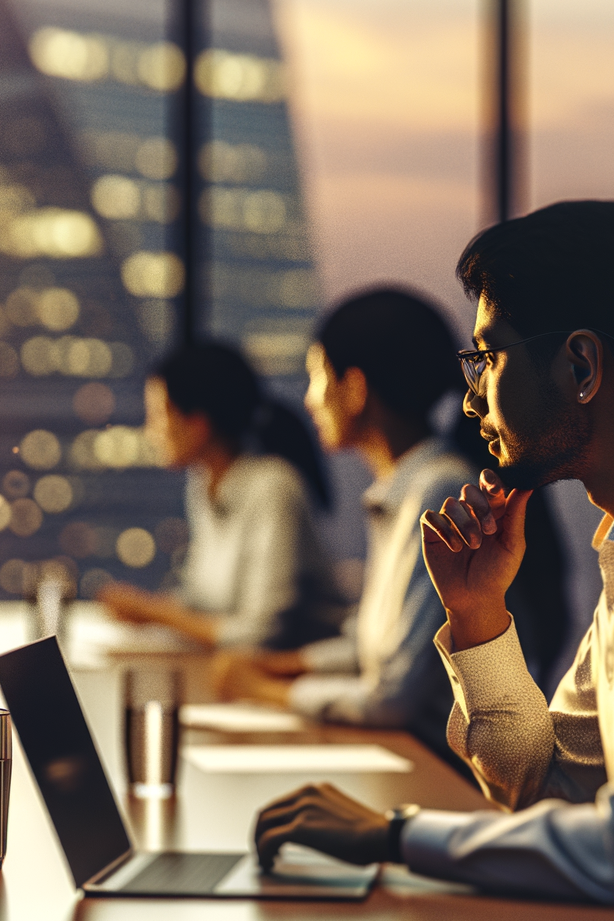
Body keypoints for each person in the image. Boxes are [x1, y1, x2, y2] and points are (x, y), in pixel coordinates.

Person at [252, 201, 614, 921]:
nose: (470, 397)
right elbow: (543, 787)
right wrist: (478, 619)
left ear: (581, 367)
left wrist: (393, 835)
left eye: (489, 359)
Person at [216, 290, 568, 766]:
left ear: (355, 389)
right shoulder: (400, 489)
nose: (309, 398)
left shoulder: (437, 489)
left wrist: (263, 690)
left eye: (318, 376)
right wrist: (281, 666)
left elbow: (392, 695)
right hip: (411, 756)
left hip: (445, 768)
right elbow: (377, 648)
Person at [101, 342, 344, 650]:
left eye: (159, 416)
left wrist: (153, 612)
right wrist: (146, 609)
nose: (151, 432)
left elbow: (263, 633)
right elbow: (202, 599)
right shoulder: (202, 484)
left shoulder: (274, 488)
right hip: (236, 667)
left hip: (296, 669)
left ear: (198, 424)